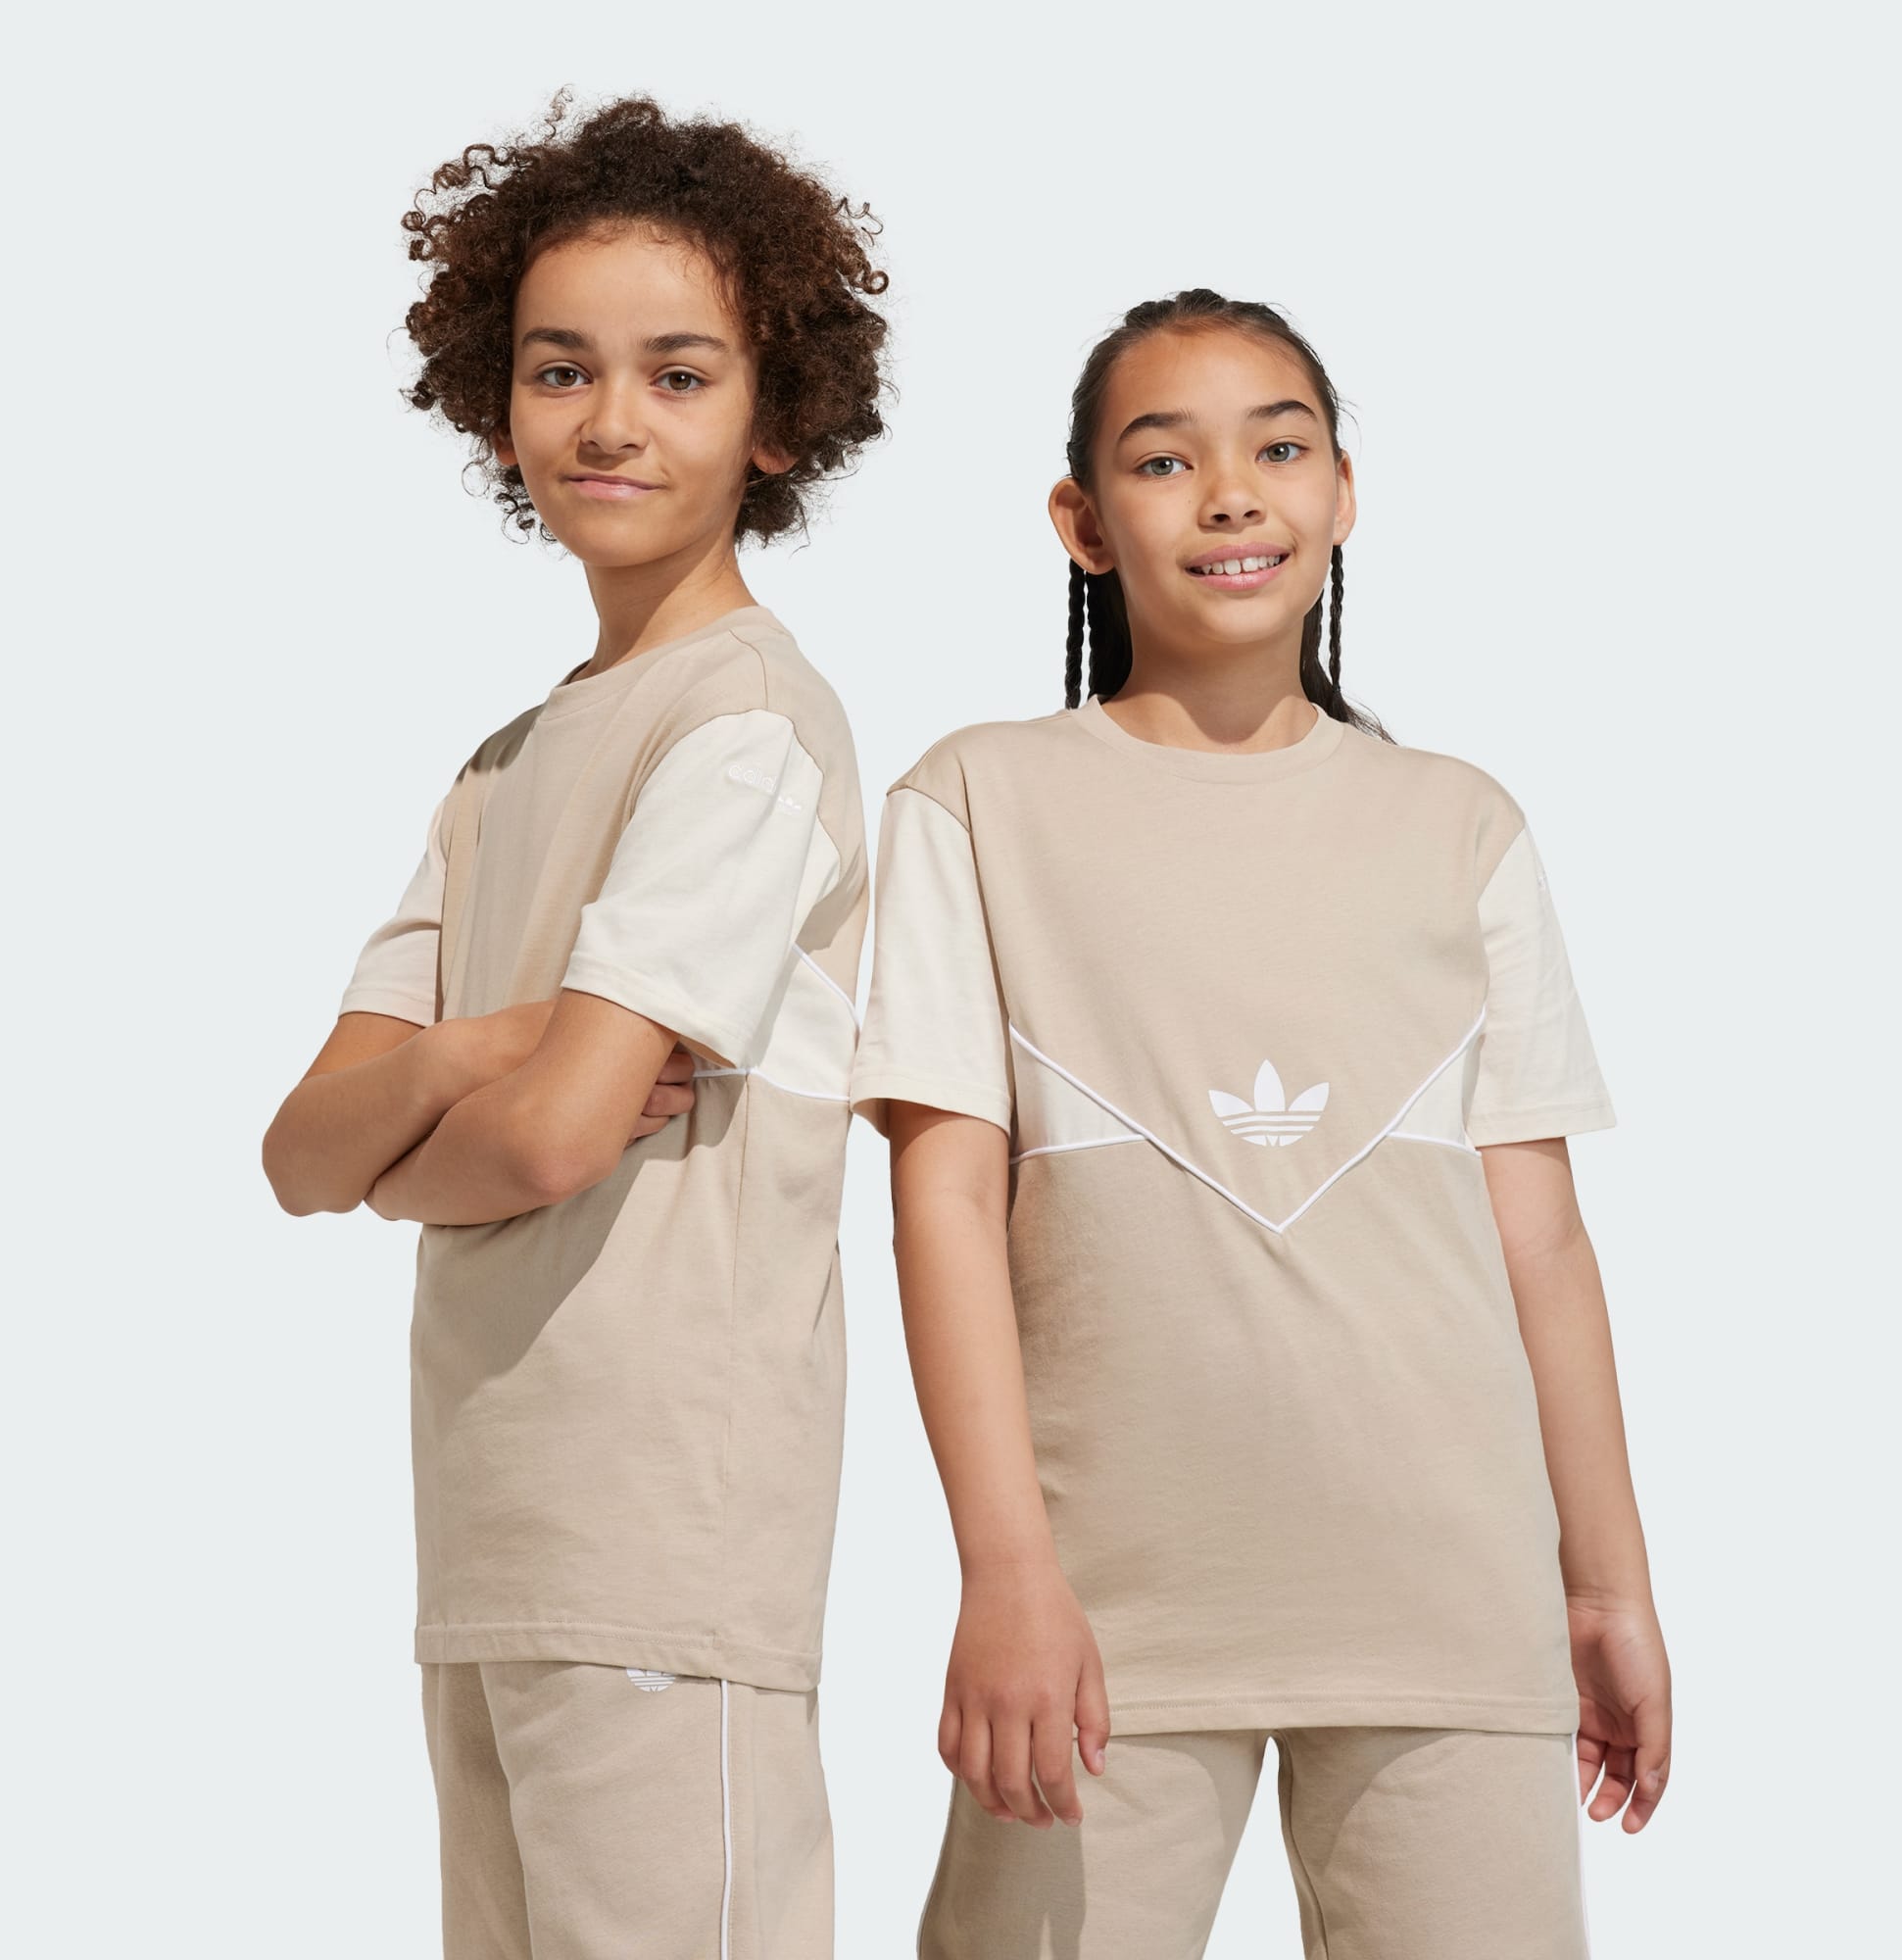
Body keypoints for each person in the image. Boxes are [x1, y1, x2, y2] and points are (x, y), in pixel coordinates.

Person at [850, 289, 1670, 1959]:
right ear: (1083, 522)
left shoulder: (1460, 822)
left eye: (1280, 449)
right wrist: (1006, 1575)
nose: (1232, 494)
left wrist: (1605, 1589)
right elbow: (942, 1211)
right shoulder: (978, 799)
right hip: (1099, 1623)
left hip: (1448, 1608)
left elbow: (1542, 1244)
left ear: (1343, 493)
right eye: (1166, 460)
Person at [262, 91, 887, 1960]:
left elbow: (552, 1140)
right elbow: (300, 1154)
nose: (611, 420)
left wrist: (428, 1140)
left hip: (668, 1542)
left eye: (678, 375)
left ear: (775, 418)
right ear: (497, 402)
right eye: (561, 370)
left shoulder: (746, 726)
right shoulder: (505, 762)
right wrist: (470, 1053)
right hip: (494, 1538)